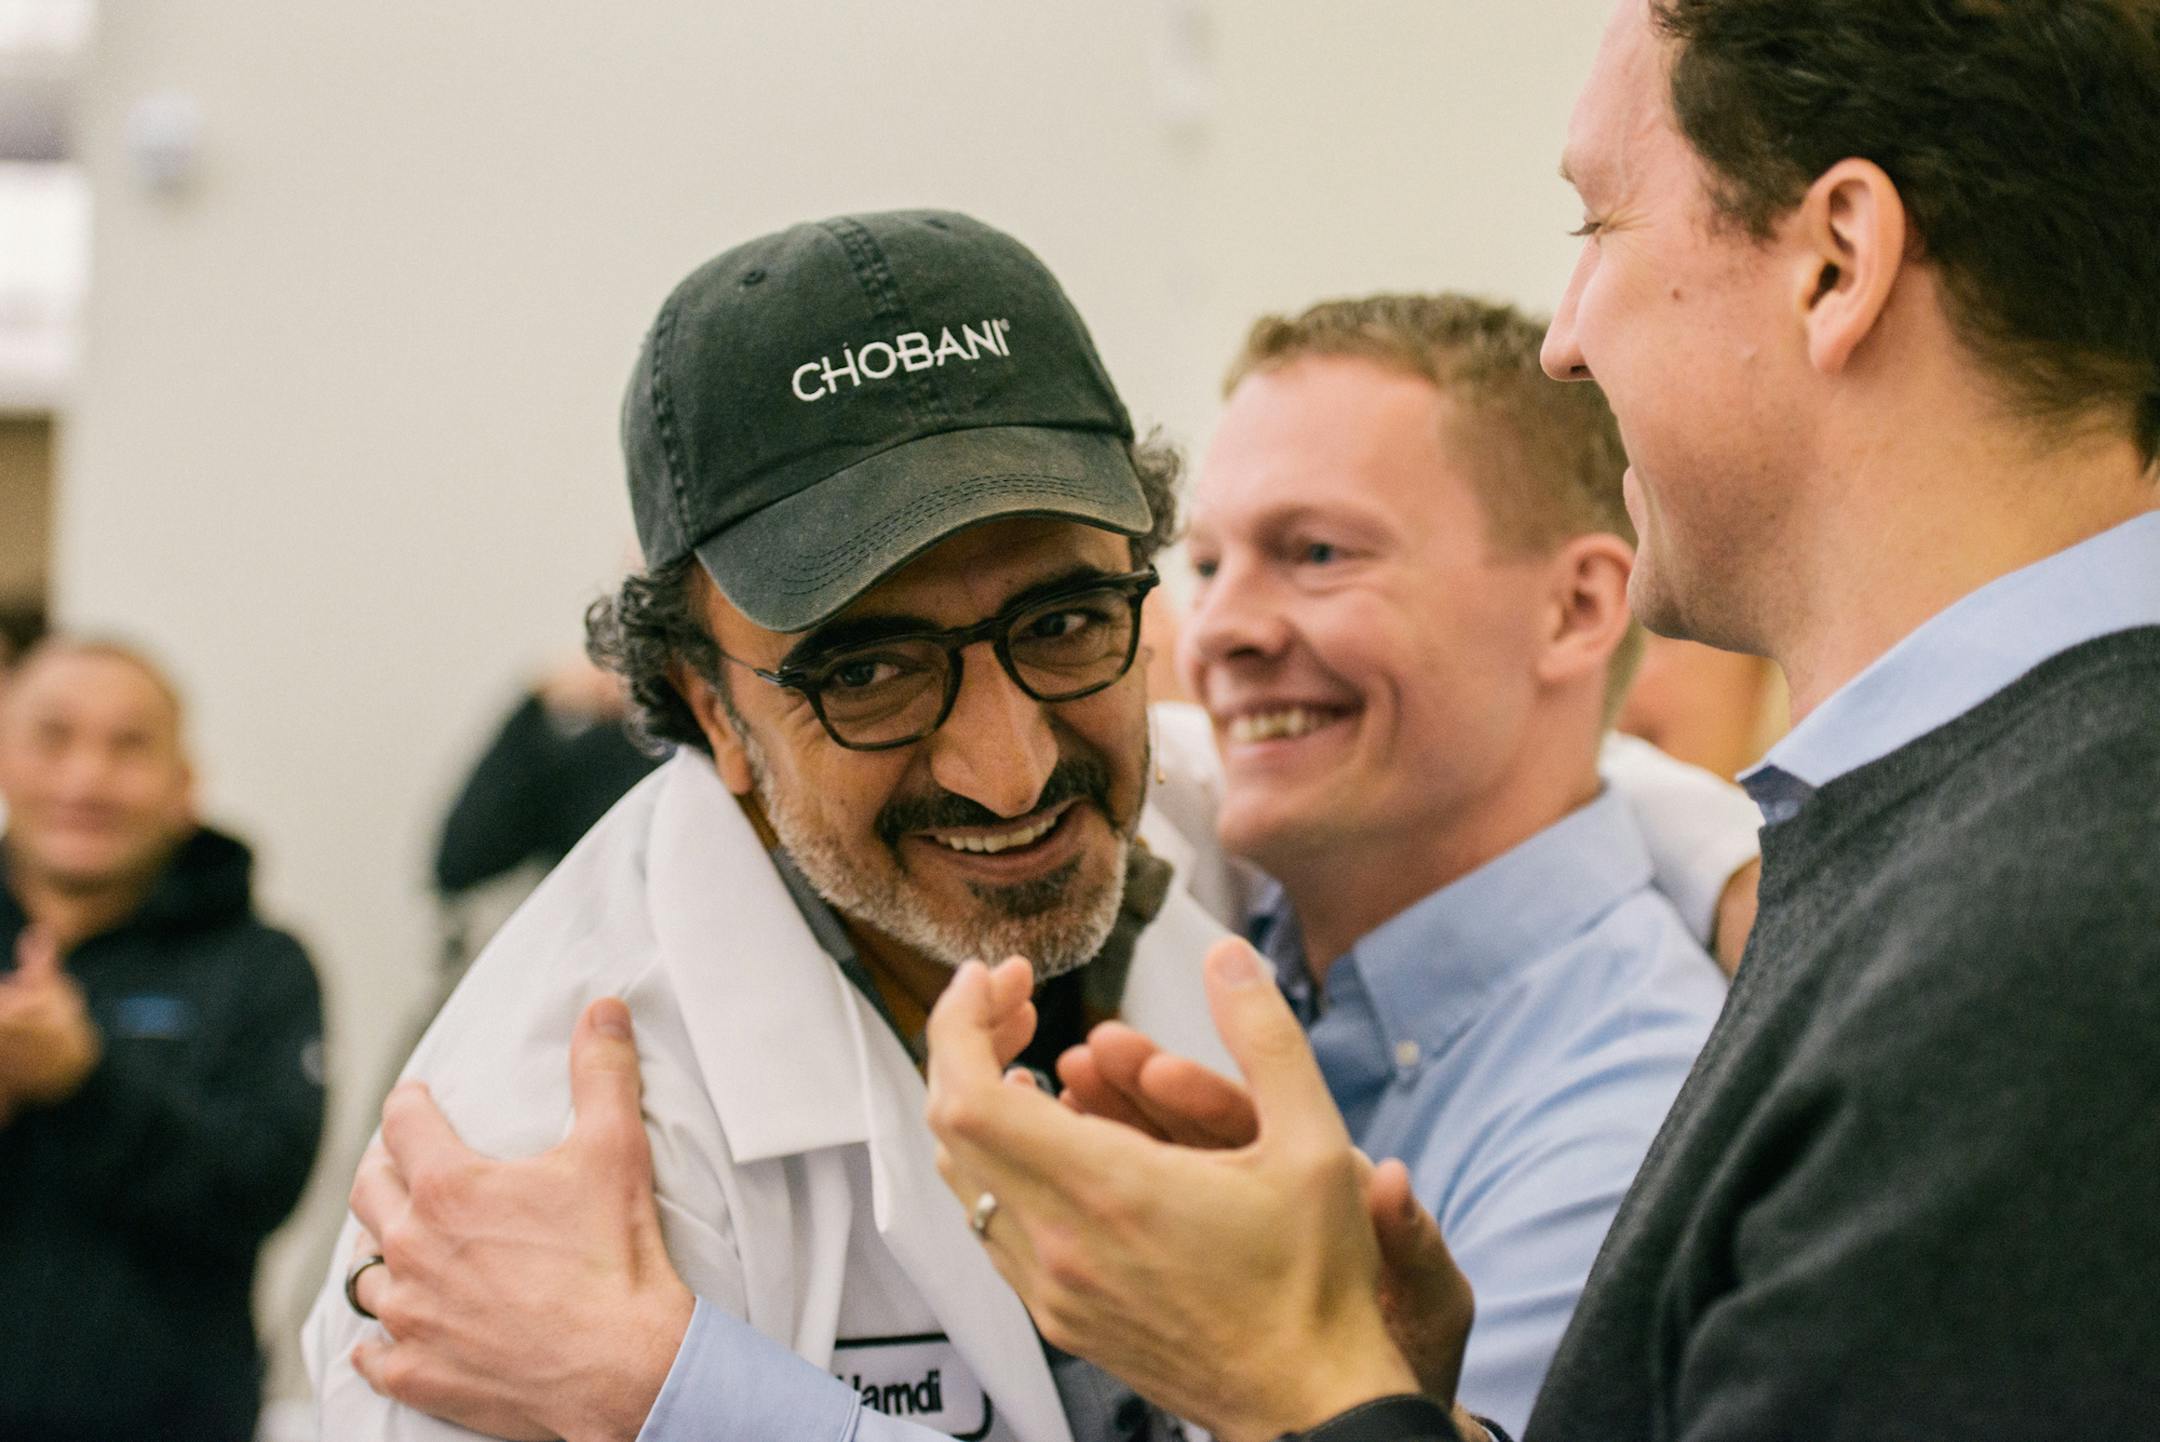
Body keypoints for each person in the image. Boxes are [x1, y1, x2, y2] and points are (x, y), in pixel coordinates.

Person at [921, 0, 2160, 1438]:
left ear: (1836, 262)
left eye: (1599, 223)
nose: (1566, 340)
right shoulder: (1978, 836)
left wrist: (1298, 1382)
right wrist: (1401, 1402)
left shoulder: (2049, 948)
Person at [315, 222, 1760, 1441]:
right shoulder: (523, 1205)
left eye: (1064, 621)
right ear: (713, 706)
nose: (1010, 773)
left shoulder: (1176, 821)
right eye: (869, 672)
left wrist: (1759, 862)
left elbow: (1499, 792)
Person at [1084, 293, 1726, 1433]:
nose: (1218, 629)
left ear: (1577, 607)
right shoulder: (1212, 918)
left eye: (1317, 553)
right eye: (1207, 563)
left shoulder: (1631, 1126)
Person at [0, 639, 326, 1442]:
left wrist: (82, 1083)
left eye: (129, 746)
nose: (86, 779)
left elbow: (262, 1187)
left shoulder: (263, 967)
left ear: (185, 785)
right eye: (53, 738)